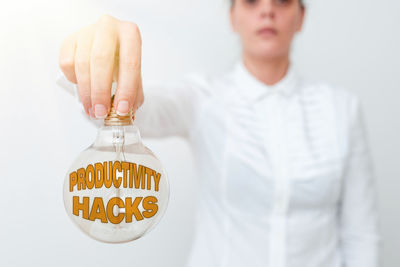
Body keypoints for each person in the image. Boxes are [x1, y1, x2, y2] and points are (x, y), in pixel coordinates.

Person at [58, 0, 381, 266]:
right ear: (232, 17)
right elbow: (142, 111)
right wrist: (107, 78)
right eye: (252, 1)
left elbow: (361, 233)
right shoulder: (202, 98)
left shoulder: (342, 109)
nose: (267, 10)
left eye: (282, 1)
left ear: (301, 17)